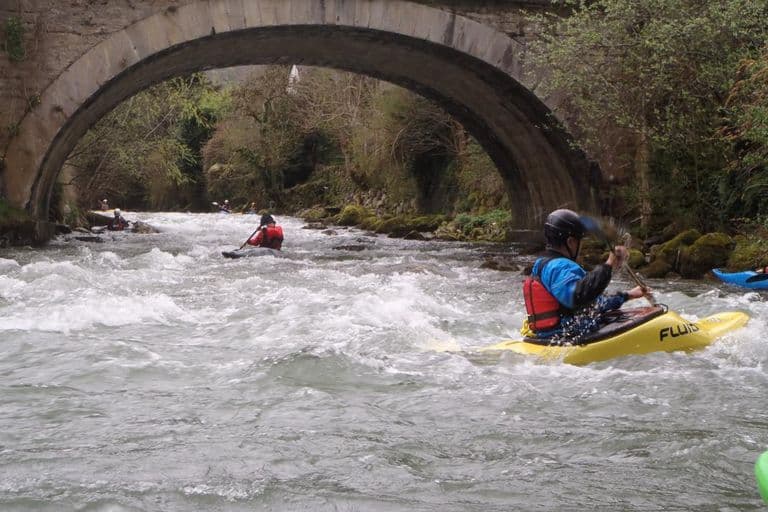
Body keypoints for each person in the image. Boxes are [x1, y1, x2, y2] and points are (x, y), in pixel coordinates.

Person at [521, 208, 646, 344]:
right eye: (579, 240)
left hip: (548, 336)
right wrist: (609, 265)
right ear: (570, 242)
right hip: (566, 337)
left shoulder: (541, 264)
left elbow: (592, 304)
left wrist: (627, 295)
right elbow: (579, 296)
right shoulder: (560, 267)